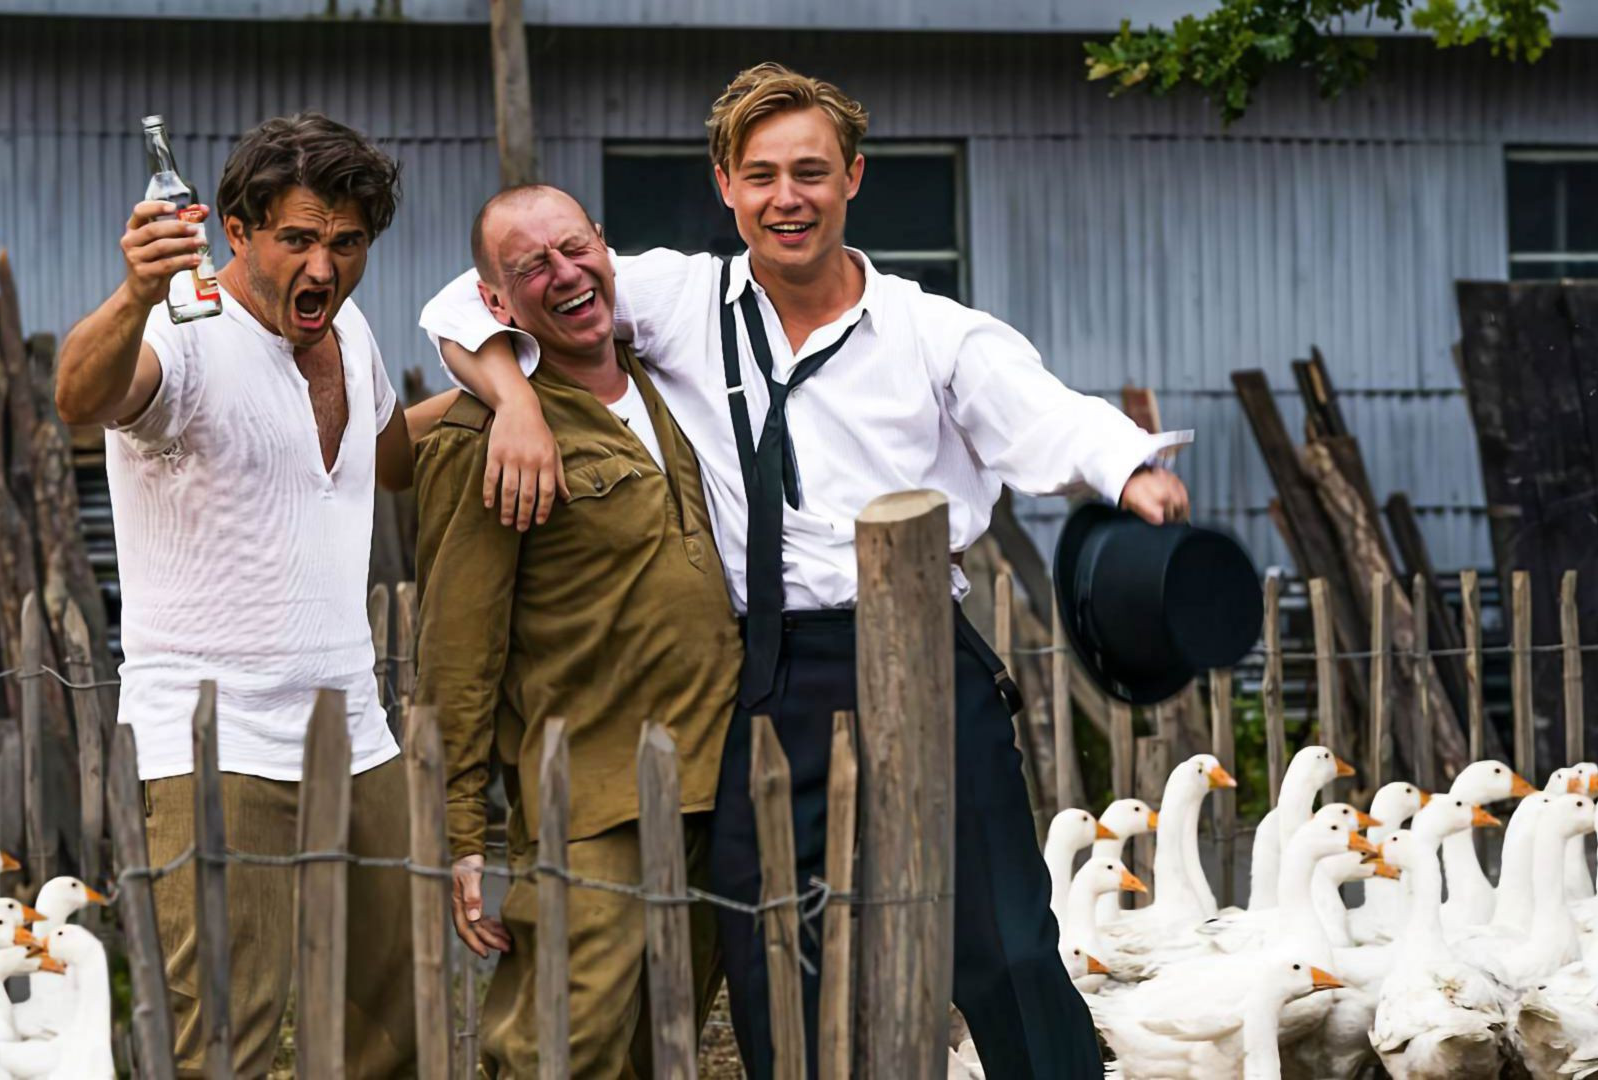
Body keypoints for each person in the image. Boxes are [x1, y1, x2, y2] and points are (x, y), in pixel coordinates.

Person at [422, 64, 1190, 1079]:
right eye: (762, 175)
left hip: (921, 655)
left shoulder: (930, 328)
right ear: (726, 186)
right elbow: (469, 296)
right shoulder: (682, 299)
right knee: (779, 957)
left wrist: (1130, 469)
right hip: (770, 675)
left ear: (853, 179)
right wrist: (514, 397)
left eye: (812, 173)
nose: (788, 198)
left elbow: (1041, 411)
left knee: (1002, 945)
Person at [55, 111, 439, 1078]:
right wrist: (134, 294)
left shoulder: (350, 332)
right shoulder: (184, 332)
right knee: (224, 1038)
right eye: (298, 238)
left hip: (356, 736)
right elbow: (81, 397)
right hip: (213, 745)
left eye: (347, 243)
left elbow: (393, 461)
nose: (324, 267)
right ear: (237, 230)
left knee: (394, 1029)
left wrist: (509, 389)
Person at [412, 184, 736, 1078]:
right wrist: (457, 832)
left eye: (574, 247)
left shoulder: (678, 385)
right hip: (591, 801)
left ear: (604, 244)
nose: (564, 274)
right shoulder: (489, 432)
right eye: (531, 267)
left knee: (662, 1046)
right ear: (495, 301)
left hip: (719, 786)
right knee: (559, 1050)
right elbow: (456, 652)